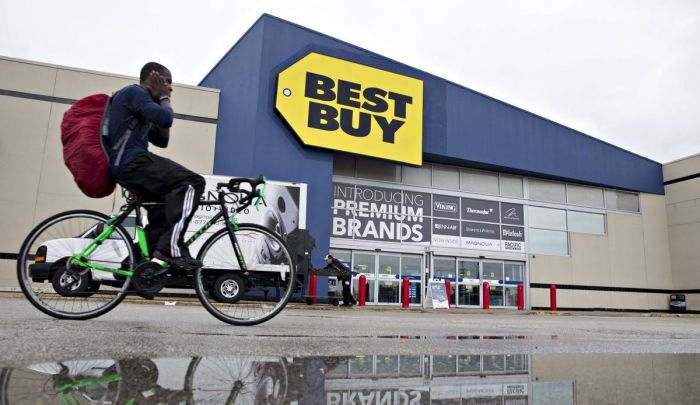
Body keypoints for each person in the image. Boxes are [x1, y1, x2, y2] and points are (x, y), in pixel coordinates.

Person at [108, 62, 205, 270]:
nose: (169, 87)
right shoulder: (134, 93)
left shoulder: (142, 105)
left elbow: (161, 140)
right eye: (166, 81)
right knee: (193, 182)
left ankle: (136, 264)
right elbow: (165, 117)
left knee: (164, 208)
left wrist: (162, 101)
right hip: (132, 162)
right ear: (152, 77)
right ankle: (171, 248)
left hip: (130, 165)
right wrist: (163, 97)